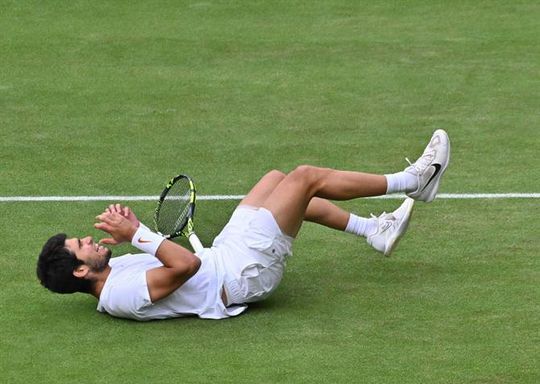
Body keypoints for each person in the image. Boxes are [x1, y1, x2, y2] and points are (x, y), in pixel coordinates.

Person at [36, 130, 450, 321]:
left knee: (275, 179)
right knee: (305, 178)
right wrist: (139, 233)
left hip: (224, 257)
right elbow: (186, 268)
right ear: (79, 270)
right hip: (242, 275)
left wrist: (134, 234)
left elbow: (179, 262)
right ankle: (414, 181)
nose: (88, 238)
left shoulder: (113, 275)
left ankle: (375, 231)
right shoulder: (121, 295)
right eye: (81, 244)